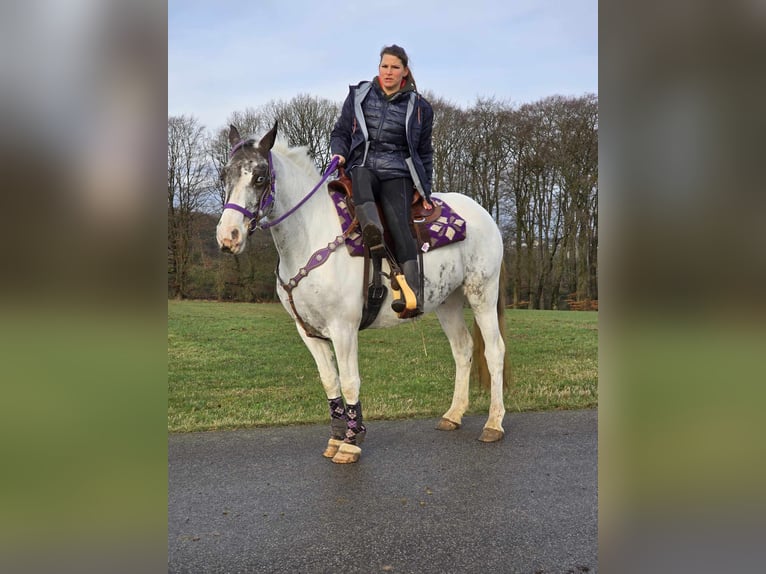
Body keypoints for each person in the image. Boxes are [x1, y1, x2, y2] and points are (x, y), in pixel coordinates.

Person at [330, 44, 434, 315]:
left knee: (401, 225)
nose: (388, 72)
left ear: (405, 72)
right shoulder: (358, 95)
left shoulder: (420, 107)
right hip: (362, 163)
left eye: (395, 67)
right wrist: (339, 153)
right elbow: (341, 131)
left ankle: (412, 294)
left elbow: (424, 152)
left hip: (397, 171)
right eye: (384, 66)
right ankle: (372, 231)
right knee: (360, 178)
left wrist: (424, 189)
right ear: (379, 69)